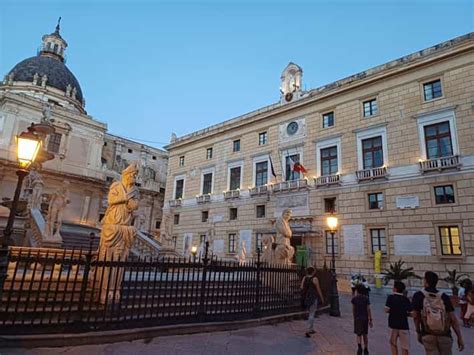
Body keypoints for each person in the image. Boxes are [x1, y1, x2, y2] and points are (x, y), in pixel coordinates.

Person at [412, 271, 464, 354]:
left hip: (428, 334)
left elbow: (416, 317)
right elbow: (453, 319)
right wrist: (459, 337)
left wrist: (418, 332)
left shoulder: (418, 295)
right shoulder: (444, 297)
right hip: (445, 335)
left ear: (425, 281)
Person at [385, 281, 412, 355]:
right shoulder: (405, 299)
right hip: (403, 325)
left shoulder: (390, 297)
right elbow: (411, 312)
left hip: (393, 325)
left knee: (393, 343)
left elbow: (386, 309)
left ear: (395, 289)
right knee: (404, 347)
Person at [300, 266, 325, 338]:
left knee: (310, 312)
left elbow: (301, 287)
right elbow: (318, 289)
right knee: (312, 313)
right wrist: (322, 297)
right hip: (313, 297)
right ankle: (308, 330)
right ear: (313, 272)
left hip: (306, 297)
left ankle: (311, 328)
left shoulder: (305, 278)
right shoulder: (314, 279)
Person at [352, 284, 373, 355]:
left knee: (358, 334)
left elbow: (353, 309)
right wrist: (370, 319)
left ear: (357, 290)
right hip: (365, 318)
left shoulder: (354, 299)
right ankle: (366, 348)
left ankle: (359, 347)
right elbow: (368, 309)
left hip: (357, 318)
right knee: (365, 334)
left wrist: (354, 317)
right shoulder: (366, 298)